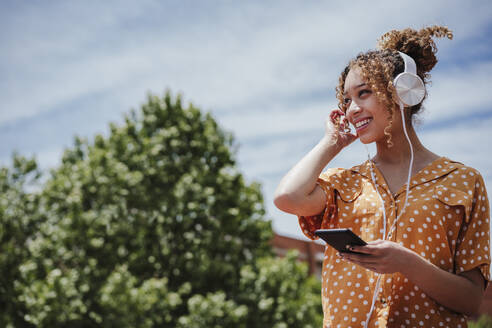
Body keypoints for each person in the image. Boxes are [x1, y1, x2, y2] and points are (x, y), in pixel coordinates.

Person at [274, 26, 490, 328]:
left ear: (404, 92)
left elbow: (470, 299)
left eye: (364, 93)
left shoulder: (464, 181)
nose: (351, 110)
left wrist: (406, 263)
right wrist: (331, 143)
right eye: (346, 100)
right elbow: (287, 197)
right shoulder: (343, 182)